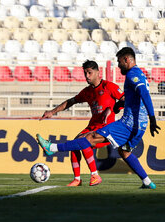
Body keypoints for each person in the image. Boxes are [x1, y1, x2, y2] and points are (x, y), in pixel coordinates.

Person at [37, 47, 161, 189]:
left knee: (87, 139)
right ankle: (147, 182)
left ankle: (51, 147)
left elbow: (144, 93)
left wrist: (153, 118)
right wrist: (117, 107)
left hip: (129, 123)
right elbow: (131, 98)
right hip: (139, 125)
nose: (118, 65)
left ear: (127, 60)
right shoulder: (138, 74)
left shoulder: (132, 74)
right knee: (124, 152)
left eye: (119, 61)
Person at [39, 60, 124, 187]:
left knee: (82, 142)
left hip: (106, 128)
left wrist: (112, 109)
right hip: (92, 126)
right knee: (74, 145)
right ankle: (77, 179)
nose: (87, 76)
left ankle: (95, 175)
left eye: (89, 73)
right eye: (85, 73)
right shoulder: (87, 91)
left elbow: (124, 100)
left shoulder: (109, 86)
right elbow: (71, 101)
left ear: (97, 72)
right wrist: (52, 112)